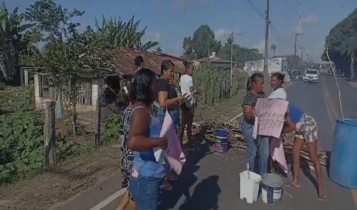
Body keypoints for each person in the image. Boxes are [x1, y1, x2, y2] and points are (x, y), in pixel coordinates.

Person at [127, 68, 167, 210]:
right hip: (145, 178)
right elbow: (132, 142)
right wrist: (159, 142)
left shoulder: (147, 108)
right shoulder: (141, 112)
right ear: (147, 86)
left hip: (151, 175)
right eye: (154, 84)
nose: (157, 88)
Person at [285, 103, 326, 201]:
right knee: (295, 152)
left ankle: (321, 187)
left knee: (313, 156)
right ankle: (296, 181)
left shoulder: (282, 109)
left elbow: (291, 127)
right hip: (300, 127)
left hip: (309, 126)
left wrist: (281, 132)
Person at [156, 60, 184, 190]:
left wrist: (173, 87)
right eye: (170, 72)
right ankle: (164, 178)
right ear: (164, 71)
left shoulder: (166, 83)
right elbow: (162, 103)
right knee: (167, 148)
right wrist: (177, 100)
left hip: (171, 115)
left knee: (171, 145)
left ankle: (168, 173)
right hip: (166, 116)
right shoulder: (162, 83)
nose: (172, 74)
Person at [241, 73, 270, 175]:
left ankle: (263, 177)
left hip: (262, 127)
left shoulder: (262, 95)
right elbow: (247, 115)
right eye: (261, 84)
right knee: (252, 153)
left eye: (263, 84)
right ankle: (252, 177)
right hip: (250, 126)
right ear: (253, 84)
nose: (262, 86)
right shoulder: (249, 96)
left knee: (265, 153)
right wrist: (252, 113)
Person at [116, 83, 135, 210]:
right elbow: (132, 139)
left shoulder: (125, 113)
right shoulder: (132, 114)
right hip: (133, 159)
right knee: (136, 196)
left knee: (131, 189)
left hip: (126, 158)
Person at [179, 61, 199, 148]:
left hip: (183, 101)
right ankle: (190, 142)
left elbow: (183, 88)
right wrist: (197, 91)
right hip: (189, 103)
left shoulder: (182, 77)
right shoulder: (190, 79)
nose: (193, 71)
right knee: (189, 124)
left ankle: (180, 142)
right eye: (192, 69)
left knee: (183, 123)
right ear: (187, 69)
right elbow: (191, 90)